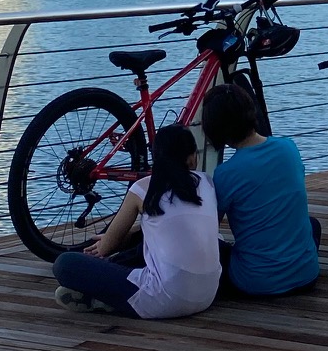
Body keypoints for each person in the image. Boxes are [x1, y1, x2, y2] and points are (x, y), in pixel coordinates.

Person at [54, 124, 221, 320]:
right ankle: (107, 299)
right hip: (207, 296)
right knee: (148, 246)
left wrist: (109, 241)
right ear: (192, 158)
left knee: (64, 264)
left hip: (163, 300)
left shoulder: (142, 188)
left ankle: (107, 299)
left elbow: (106, 247)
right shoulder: (207, 182)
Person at [200, 81, 321, 296]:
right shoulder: (288, 147)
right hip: (307, 276)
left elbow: (209, 228)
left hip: (255, 282)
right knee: (312, 224)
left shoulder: (226, 173)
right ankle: (295, 267)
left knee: (216, 249)